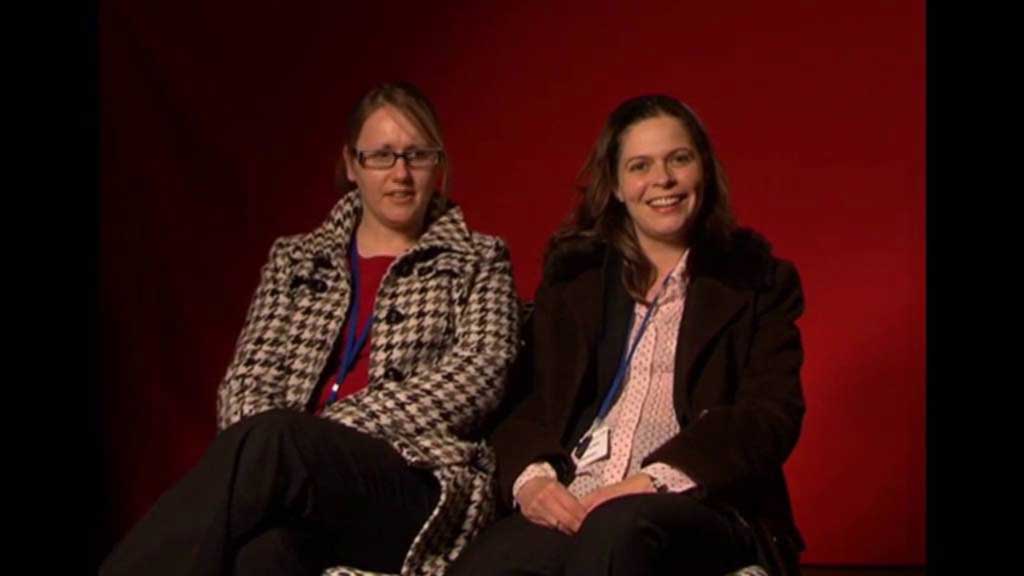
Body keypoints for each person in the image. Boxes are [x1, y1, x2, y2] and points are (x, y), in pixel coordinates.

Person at [100, 81, 520, 576]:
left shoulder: (479, 259)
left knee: (278, 442)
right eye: (382, 156)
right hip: (295, 478)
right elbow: (245, 381)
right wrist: (295, 445)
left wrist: (320, 433)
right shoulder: (297, 260)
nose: (401, 174)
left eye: (418, 155)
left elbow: (479, 376)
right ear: (351, 165)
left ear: (438, 164)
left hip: (414, 483)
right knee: (266, 554)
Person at [450, 94, 806, 576]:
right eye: (641, 166)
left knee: (618, 531)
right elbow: (526, 402)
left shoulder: (756, 281)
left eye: (678, 159)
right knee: (487, 566)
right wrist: (533, 481)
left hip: (700, 503)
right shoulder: (576, 284)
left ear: (703, 168)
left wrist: (650, 481)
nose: (663, 180)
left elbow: (769, 415)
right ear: (616, 186)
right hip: (580, 498)